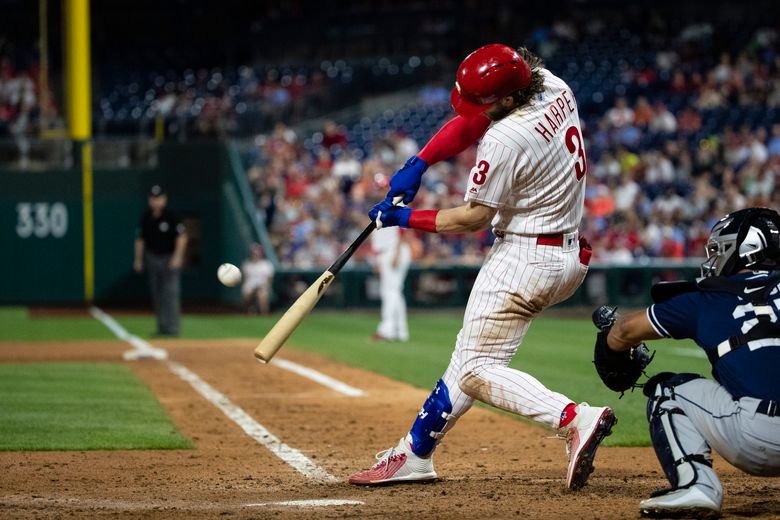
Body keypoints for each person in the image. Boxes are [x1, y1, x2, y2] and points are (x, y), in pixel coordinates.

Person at [349, 44, 615, 490]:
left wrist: (402, 218)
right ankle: (414, 454)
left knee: (475, 370)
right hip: (562, 252)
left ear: (508, 99)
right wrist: (421, 161)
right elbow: (474, 118)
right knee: (468, 359)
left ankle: (574, 417)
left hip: (524, 259)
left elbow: (472, 218)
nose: (475, 110)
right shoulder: (551, 85)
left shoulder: (507, 138)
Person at [598, 207, 780, 517]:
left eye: (719, 250)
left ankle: (697, 487)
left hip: (758, 439)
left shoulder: (708, 298)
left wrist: (607, 349)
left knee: (666, 391)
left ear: (743, 250)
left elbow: (623, 331)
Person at [134, 185, 187, 336]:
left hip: (169, 258)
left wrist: (178, 257)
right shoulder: (145, 217)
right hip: (152, 258)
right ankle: (162, 327)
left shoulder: (172, 216)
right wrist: (138, 260)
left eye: (158, 198)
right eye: (153, 198)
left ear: (164, 199)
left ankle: (173, 328)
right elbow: (140, 240)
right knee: (157, 295)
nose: (156, 201)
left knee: (171, 293)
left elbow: (182, 237)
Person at [370, 220, 412, 342]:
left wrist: (397, 253)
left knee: (391, 292)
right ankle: (401, 332)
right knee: (394, 292)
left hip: (394, 251)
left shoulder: (393, 206)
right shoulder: (379, 210)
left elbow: (402, 231)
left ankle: (387, 330)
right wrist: (377, 260)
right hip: (386, 252)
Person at [241, 243, 275, 315]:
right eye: (254, 253)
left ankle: (264, 314)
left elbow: (269, 280)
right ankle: (247, 312)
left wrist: (264, 287)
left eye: (257, 253)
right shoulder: (247, 264)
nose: (256, 255)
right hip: (250, 287)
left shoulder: (266, 264)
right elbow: (245, 279)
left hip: (262, 287)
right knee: (247, 293)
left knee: (262, 295)